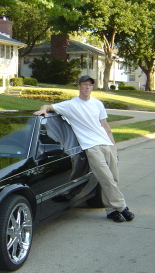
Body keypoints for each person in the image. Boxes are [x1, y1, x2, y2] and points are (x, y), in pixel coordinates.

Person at [33, 75, 135, 222]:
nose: (88, 87)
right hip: (91, 147)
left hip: (107, 144)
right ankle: (122, 207)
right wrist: (43, 110)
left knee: (113, 178)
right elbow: (48, 107)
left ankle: (111, 211)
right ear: (79, 86)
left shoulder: (98, 104)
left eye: (90, 85)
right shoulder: (70, 105)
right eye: (85, 84)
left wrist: (113, 145)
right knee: (106, 178)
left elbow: (105, 126)